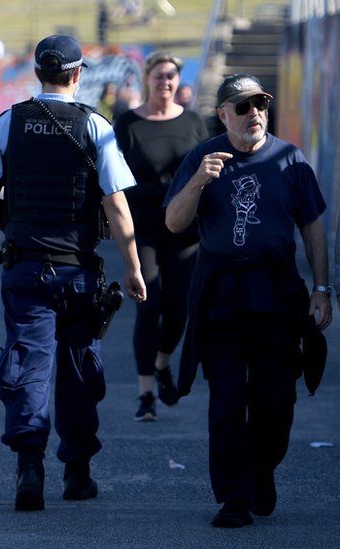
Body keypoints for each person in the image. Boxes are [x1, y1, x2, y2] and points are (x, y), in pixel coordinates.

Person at [0, 35, 146, 512]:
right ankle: (78, 473)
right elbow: (117, 204)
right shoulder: (95, 127)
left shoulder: (9, 122)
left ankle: (30, 467)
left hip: (25, 269)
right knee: (78, 369)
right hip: (78, 274)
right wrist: (133, 267)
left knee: (28, 366)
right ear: (78, 73)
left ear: (37, 71)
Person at [164, 74, 331, 528]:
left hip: (276, 294)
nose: (254, 113)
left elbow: (312, 225)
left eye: (260, 104)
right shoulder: (203, 157)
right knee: (227, 400)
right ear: (223, 115)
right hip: (222, 296)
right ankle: (233, 497)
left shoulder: (290, 159)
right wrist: (199, 181)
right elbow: (174, 222)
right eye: (243, 106)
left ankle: (262, 468)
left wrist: (321, 287)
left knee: (276, 400)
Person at [113, 51, 209, 421]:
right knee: (148, 306)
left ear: (177, 80)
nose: (165, 81)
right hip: (144, 229)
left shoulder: (196, 124)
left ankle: (163, 362)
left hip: (185, 230)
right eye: (158, 75)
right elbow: (112, 179)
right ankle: (146, 393)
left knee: (178, 311)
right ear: (146, 78)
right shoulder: (127, 125)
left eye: (171, 75)